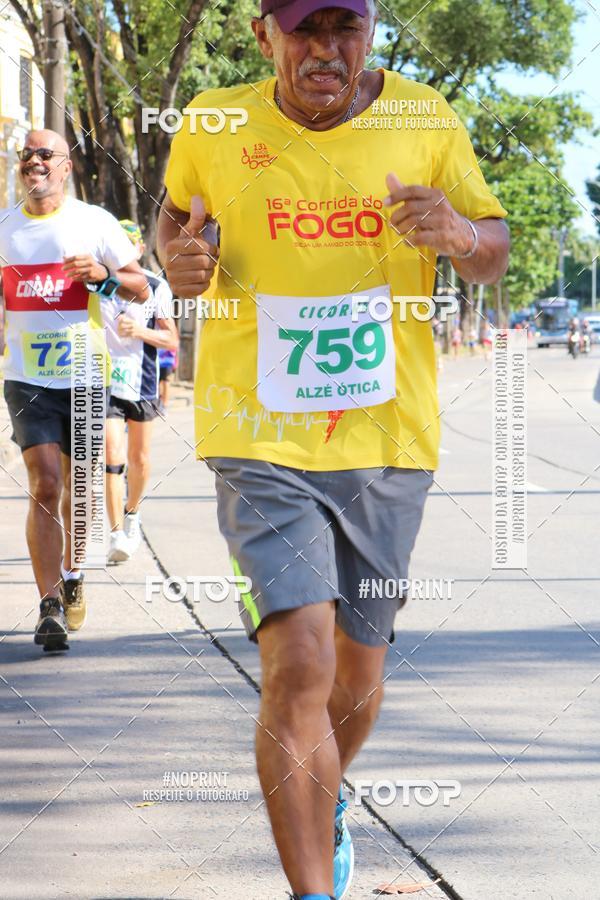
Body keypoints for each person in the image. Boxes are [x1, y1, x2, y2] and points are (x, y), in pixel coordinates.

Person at [158, 2, 509, 897]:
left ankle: (329, 790)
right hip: (256, 428)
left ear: (370, 31)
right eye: (303, 30)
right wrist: (180, 260)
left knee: (356, 675)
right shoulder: (215, 119)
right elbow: (176, 218)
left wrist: (460, 236)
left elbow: (493, 248)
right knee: (301, 660)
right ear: (264, 35)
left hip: (389, 437)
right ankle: (312, 891)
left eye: (344, 28)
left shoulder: (422, 118)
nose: (326, 50)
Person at [0, 129, 149, 651]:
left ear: (66, 166)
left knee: (79, 492)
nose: (34, 162)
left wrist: (104, 273)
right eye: (27, 155)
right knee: (44, 483)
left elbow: (141, 286)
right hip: (27, 377)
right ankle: (48, 607)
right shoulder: (5, 230)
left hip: (85, 372)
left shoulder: (95, 222)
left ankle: (74, 574)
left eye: (46, 154)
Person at [103, 219, 179, 563]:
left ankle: (132, 513)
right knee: (111, 456)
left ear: (139, 249)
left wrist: (139, 331)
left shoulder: (155, 286)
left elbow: (171, 339)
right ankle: (116, 534)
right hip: (104, 383)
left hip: (143, 382)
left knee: (140, 459)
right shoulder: (97, 282)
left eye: (128, 244)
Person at [158, 346, 178, 411]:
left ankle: (165, 404)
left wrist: (175, 362)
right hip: (157, 360)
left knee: (165, 381)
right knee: (158, 382)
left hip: (167, 361)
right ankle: (159, 401)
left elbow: (174, 346)